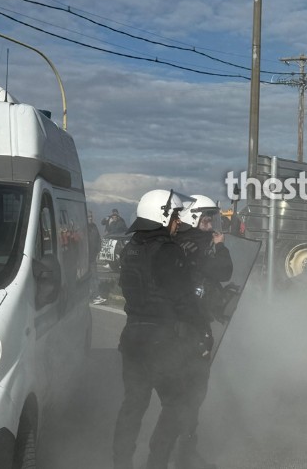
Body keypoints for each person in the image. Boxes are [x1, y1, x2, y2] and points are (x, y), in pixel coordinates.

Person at [112, 189, 196, 469]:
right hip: (161, 340)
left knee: (132, 406)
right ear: (161, 215)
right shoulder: (168, 250)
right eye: (174, 216)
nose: (177, 223)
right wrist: (200, 325)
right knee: (177, 404)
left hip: (132, 336)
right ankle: (156, 463)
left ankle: (121, 463)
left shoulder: (131, 248)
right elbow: (183, 297)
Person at [172, 194, 233, 469]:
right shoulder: (194, 246)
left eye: (212, 218)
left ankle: (180, 447)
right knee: (190, 390)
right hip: (189, 328)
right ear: (192, 218)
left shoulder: (189, 243)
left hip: (193, 324)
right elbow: (223, 271)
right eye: (206, 218)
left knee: (192, 391)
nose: (211, 224)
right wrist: (221, 248)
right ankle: (179, 452)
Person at [87, 210, 105, 305]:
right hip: (85, 257)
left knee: (94, 277)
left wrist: (98, 250)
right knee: (90, 277)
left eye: (91, 217)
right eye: (88, 217)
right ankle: (94, 295)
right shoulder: (83, 228)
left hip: (93, 257)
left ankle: (95, 295)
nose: (90, 218)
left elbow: (98, 239)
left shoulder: (94, 227)